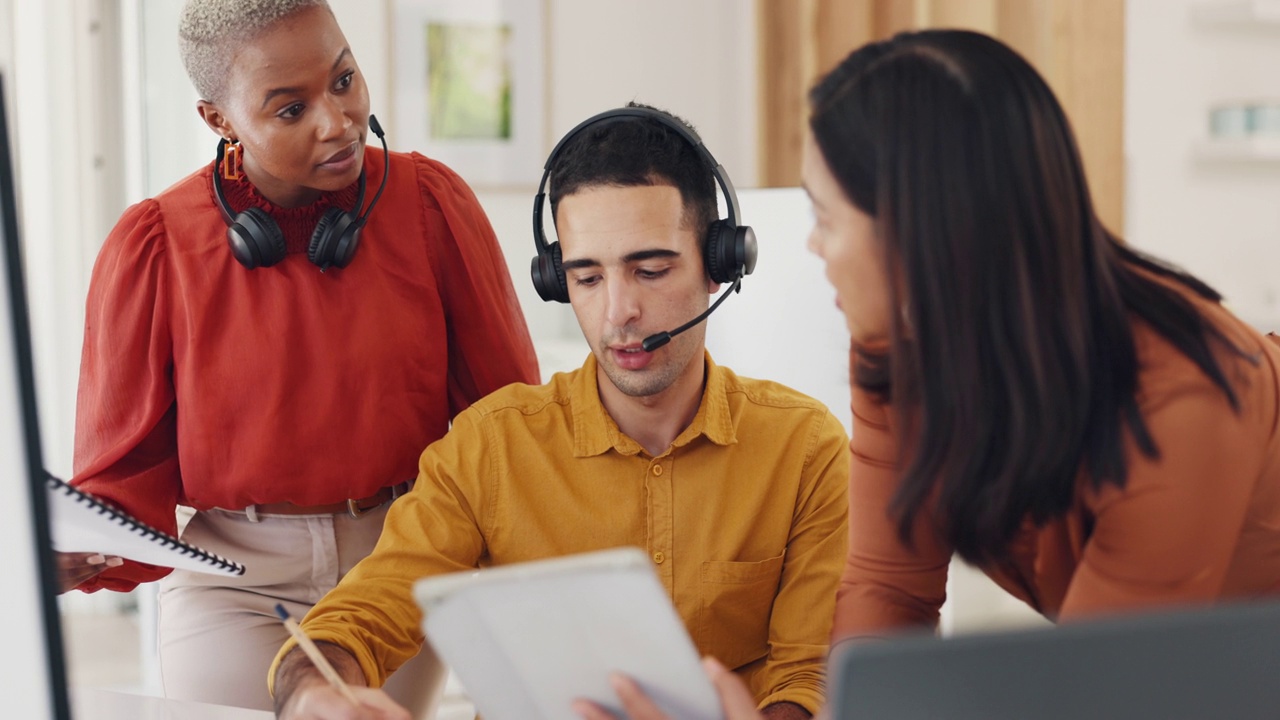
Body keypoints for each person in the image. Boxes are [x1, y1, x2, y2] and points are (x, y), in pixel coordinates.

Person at [578, 28, 1280, 720]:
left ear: (923, 232)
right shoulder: (897, 345)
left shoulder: (1184, 399)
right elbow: (891, 589)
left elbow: (1096, 696)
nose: (812, 245)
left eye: (826, 218)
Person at [268, 104, 851, 720]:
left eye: (649, 270)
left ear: (720, 263)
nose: (617, 313)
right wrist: (313, 690)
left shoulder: (803, 447)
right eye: (587, 278)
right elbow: (369, 610)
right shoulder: (491, 447)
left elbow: (807, 673)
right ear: (555, 279)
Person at [60, 0, 539, 713]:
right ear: (218, 120)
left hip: (396, 562)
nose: (336, 120)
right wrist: (72, 551)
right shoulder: (155, 245)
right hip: (235, 579)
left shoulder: (430, 205)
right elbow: (125, 474)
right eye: (290, 110)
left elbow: (503, 419)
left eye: (344, 80)